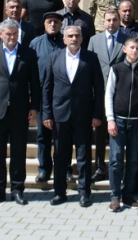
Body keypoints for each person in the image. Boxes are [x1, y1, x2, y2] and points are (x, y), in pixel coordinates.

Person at [0, 19, 41, 205]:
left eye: (15, 34)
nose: (12, 37)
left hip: (20, 111)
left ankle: (17, 190)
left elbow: (35, 83)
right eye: (8, 34)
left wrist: (34, 106)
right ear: (1, 35)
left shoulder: (28, 54)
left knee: (18, 152)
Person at [42, 24, 105, 208]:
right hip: (59, 114)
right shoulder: (53, 57)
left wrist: (97, 113)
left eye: (77, 35)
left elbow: (98, 88)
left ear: (82, 38)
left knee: (84, 156)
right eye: (70, 35)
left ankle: (84, 193)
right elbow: (47, 88)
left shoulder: (91, 58)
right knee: (60, 156)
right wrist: (47, 113)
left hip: (83, 115)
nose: (74, 39)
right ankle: (59, 192)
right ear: (64, 39)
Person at [105, 36, 138, 211]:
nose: (135, 50)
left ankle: (127, 195)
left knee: (133, 161)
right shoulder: (116, 69)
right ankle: (114, 196)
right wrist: (110, 119)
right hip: (118, 121)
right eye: (132, 47)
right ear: (125, 49)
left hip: (137, 124)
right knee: (116, 160)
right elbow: (108, 94)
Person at [87, 7, 128, 182]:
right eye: (108, 20)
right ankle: (99, 166)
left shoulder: (127, 41)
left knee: (118, 132)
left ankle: (117, 166)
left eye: (115, 20)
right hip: (99, 94)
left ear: (119, 22)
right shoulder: (94, 40)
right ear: (103, 22)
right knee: (100, 132)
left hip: (120, 94)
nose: (111, 23)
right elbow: (87, 67)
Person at [30, 11, 66, 185]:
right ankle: (44, 169)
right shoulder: (35, 44)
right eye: (50, 22)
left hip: (63, 98)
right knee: (43, 136)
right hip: (42, 98)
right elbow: (29, 72)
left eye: (56, 22)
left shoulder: (67, 43)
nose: (53, 25)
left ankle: (64, 168)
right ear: (44, 24)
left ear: (61, 25)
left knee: (63, 136)